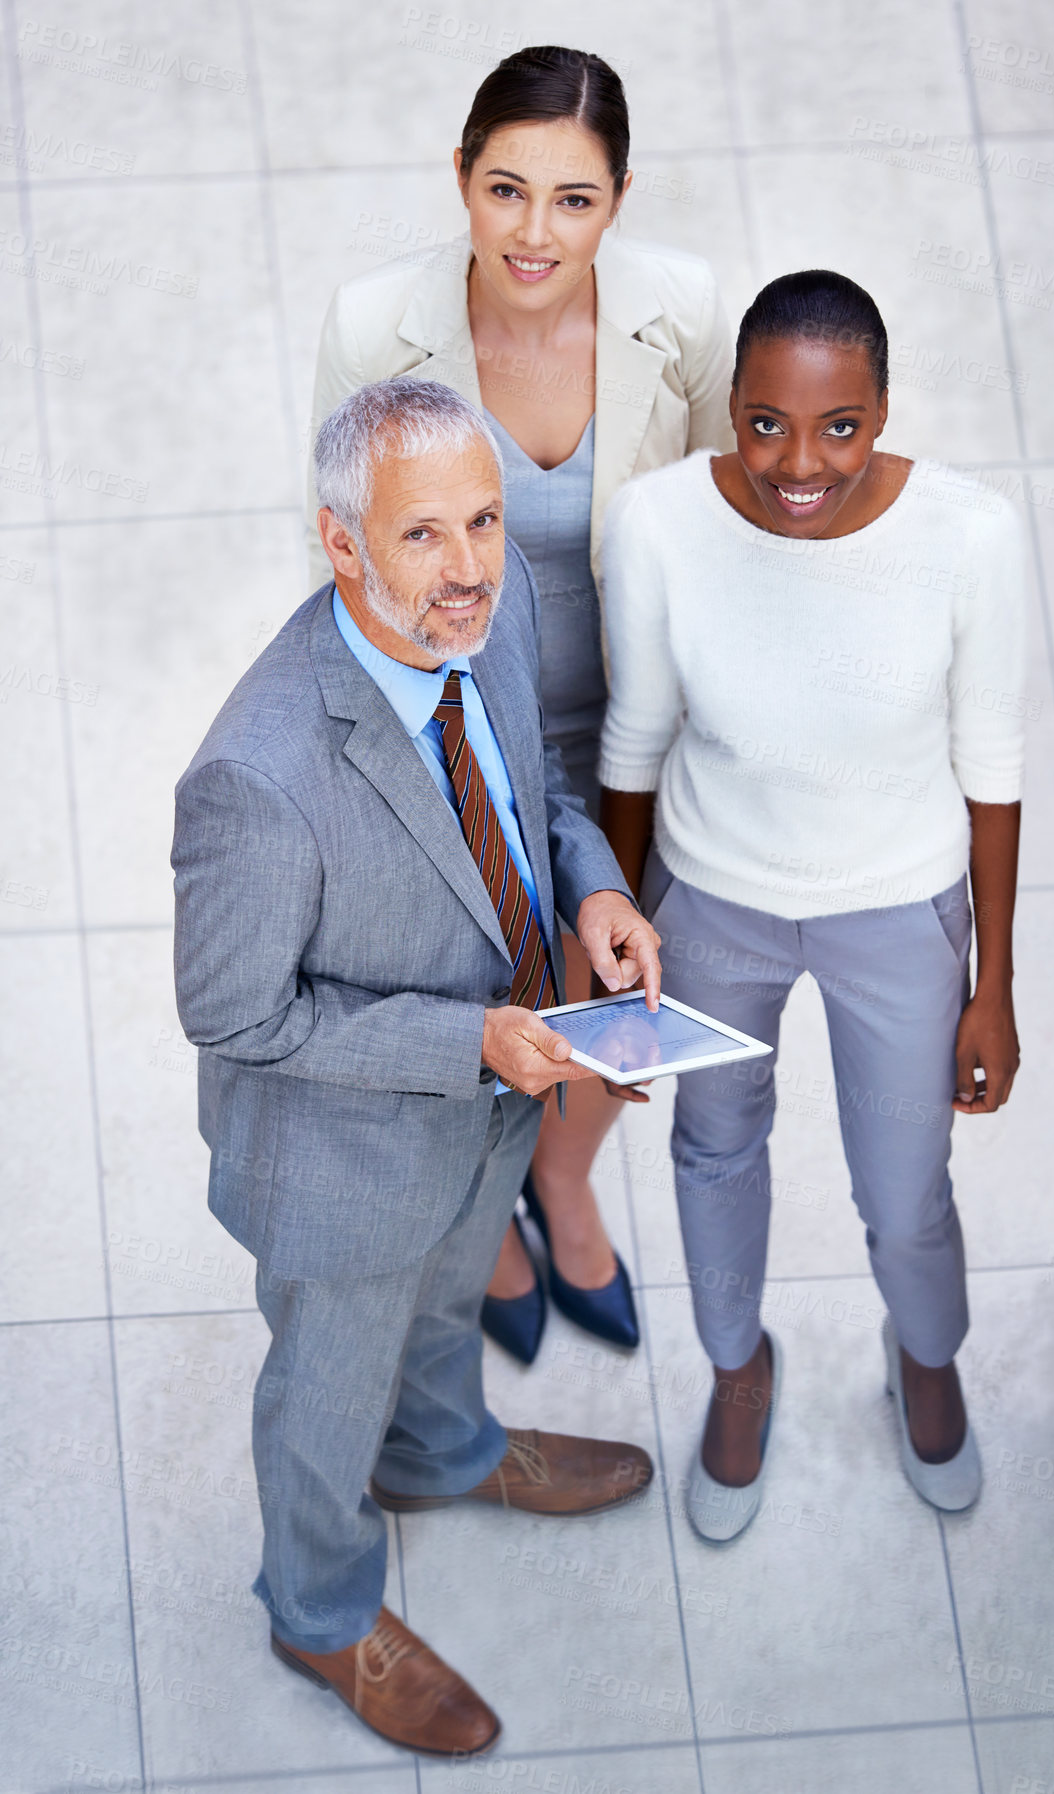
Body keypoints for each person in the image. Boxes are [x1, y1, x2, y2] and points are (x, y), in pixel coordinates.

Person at [172, 379, 662, 1756]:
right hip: (345, 1163)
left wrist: (596, 896)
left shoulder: (489, 631)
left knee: (447, 1306)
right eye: (422, 537)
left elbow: (540, 799)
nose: (465, 571)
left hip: (488, 1106)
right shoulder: (256, 777)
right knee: (327, 1392)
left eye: (485, 524)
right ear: (340, 543)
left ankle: (441, 1454)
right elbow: (233, 1016)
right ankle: (320, 1610)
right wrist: (470, 1042)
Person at [307, 44, 736, 1363]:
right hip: (453, 714)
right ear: (459, 176)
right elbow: (347, 543)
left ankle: (562, 1175)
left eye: (572, 199)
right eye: (503, 190)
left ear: (617, 198)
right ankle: (492, 1204)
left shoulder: (685, 309)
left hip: (630, 717)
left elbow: (725, 519)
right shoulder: (378, 325)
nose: (533, 233)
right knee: (469, 979)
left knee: (644, 974)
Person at [597, 271, 1026, 1542]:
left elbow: (989, 763)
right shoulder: (658, 521)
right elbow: (636, 735)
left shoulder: (970, 535)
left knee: (905, 1190)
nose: (799, 462)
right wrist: (613, 952)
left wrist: (990, 983)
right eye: (766, 421)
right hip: (711, 898)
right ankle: (739, 1368)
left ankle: (927, 1356)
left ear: (883, 410)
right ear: (728, 405)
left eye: (839, 426)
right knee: (712, 1149)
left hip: (897, 907)